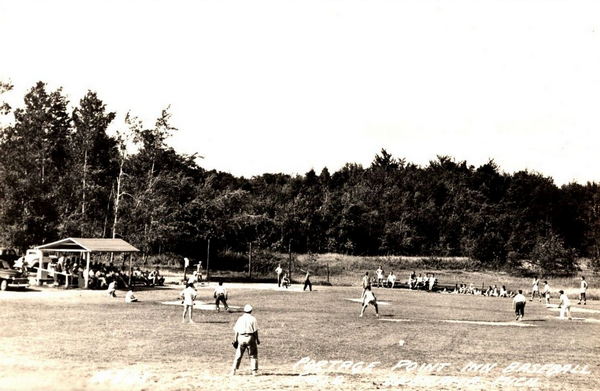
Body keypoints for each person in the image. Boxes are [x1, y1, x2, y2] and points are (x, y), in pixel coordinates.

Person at [231, 304, 260, 376]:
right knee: (253, 355)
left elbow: (236, 330)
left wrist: (235, 340)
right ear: (251, 311)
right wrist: (257, 339)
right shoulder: (253, 319)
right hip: (250, 337)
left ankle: (233, 371)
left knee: (238, 355)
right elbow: (255, 331)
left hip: (241, 337)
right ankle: (254, 371)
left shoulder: (240, 318)